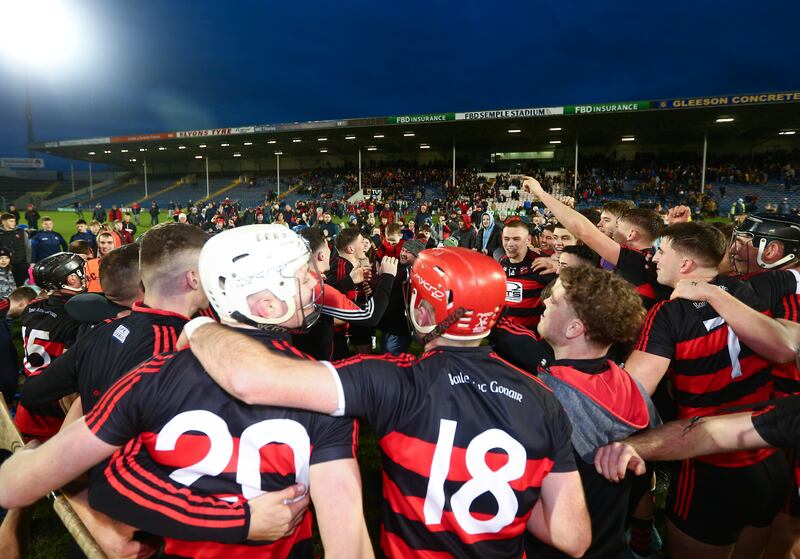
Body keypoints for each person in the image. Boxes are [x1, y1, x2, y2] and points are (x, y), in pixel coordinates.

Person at [183, 247, 592, 558]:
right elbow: (572, 537)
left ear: (425, 308)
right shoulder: (543, 397)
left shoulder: (391, 378)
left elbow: (251, 380)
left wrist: (201, 327)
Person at [0, 224, 372, 558]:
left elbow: (21, 480)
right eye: (300, 276)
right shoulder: (324, 390)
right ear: (267, 301)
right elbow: (349, 542)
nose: (313, 284)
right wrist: (242, 520)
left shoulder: (153, 372)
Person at [625, 221, 798, 559]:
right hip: (769, 455)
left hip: (710, 462)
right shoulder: (749, 291)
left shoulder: (669, 312)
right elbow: (785, 347)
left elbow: (635, 390)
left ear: (686, 265)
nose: (654, 258)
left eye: (662, 252)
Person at [527, 265, 658, 559]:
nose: (546, 301)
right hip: (609, 542)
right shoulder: (633, 387)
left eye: (555, 300)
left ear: (575, 328)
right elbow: (643, 473)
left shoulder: (542, 398)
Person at [499, 218, 555, 328]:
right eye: (506, 239)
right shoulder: (501, 262)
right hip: (502, 333)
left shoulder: (542, 264)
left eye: (516, 239)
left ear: (528, 239)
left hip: (530, 336)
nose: (510, 244)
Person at [0, 213, 29, 286]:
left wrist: (27, 262)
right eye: (11, 221)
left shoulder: (22, 232)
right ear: (3, 222)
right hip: (6, 265)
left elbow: (28, 247)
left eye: (14, 221)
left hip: (21, 265)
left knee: (20, 286)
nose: (14, 223)